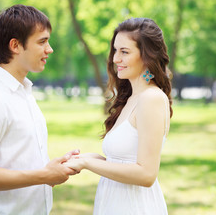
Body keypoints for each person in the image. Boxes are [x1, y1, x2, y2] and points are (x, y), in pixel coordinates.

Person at [0, 4, 79, 215]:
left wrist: (50, 171)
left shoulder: (24, 93)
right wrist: (43, 175)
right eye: (42, 41)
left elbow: (18, 162)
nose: (49, 49)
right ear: (15, 45)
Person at [64, 17, 173, 214]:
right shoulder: (132, 98)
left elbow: (146, 173)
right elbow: (122, 162)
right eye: (115, 50)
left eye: (124, 52)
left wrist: (88, 164)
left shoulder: (151, 98)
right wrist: (85, 158)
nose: (115, 59)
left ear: (147, 56)